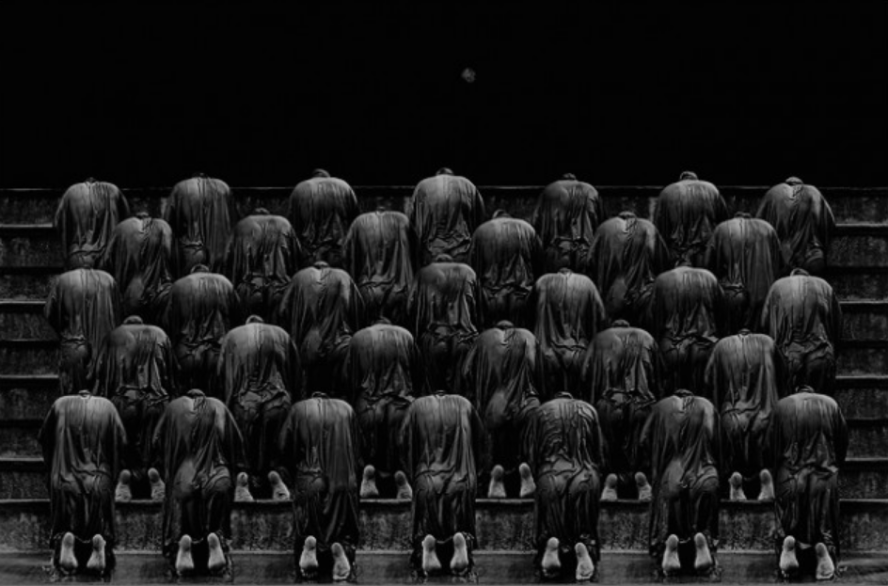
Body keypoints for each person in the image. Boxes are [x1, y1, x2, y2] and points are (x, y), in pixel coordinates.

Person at [151, 389, 246, 579]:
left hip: (185, 473)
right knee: (219, 497)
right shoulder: (219, 405)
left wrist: (166, 467)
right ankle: (217, 543)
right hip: (217, 473)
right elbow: (236, 442)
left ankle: (182, 546)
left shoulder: (174, 407)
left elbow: (156, 441)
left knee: (181, 502)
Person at [39, 390, 126, 579]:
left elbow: (44, 439)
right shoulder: (108, 407)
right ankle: (98, 542)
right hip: (99, 479)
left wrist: (53, 468)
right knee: (100, 521)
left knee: (65, 521)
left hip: (65, 478)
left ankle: (66, 540)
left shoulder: (59, 404)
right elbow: (121, 441)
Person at [400, 391, 485, 578]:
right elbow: (482, 442)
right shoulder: (465, 403)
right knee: (461, 525)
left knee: (424, 527)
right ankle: (462, 542)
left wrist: (413, 476)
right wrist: (475, 477)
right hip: (461, 480)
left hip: (427, 480)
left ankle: (426, 545)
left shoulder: (416, 407)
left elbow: (402, 444)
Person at [279, 392, 362, 583]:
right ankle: (341, 551)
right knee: (344, 529)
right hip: (343, 481)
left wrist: (292, 474)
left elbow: (284, 448)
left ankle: (309, 548)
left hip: (310, 478)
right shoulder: (347, 409)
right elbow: (359, 449)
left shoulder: (298, 410)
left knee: (307, 522)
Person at [91, 315, 176, 500]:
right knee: (155, 439)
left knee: (122, 439)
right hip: (155, 400)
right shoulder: (160, 334)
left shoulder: (113, 337)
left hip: (123, 399)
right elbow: (170, 375)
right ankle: (155, 472)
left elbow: (99, 374)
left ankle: (125, 475)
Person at [522, 391, 603, 582]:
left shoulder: (540, 412)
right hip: (585, 476)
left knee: (549, 524)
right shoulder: (589, 410)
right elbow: (599, 452)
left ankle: (551, 545)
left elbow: (531, 451)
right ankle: (584, 548)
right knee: (585, 527)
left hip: (551, 475)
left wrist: (534, 476)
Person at [218, 315, 301, 500]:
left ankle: (243, 479)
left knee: (245, 449)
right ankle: (276, 477)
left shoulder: (232, 336)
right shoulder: (282, 334)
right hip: (277, 399)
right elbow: (295, 372)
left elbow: (220, 372)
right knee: (274, 449)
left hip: (244, 400)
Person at [641, 389, 720, 579]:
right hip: (704, 473)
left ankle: (669, 547)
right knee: (706, 500)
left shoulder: (660, 407)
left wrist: (654, 465)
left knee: (667, 499)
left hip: (672, 472)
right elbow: (714, 438)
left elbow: (643, 440)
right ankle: (704, 544)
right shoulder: (707, 405)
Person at [770, 386, 847, 581]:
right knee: (825, 521)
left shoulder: (782, 406)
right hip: (824, 477)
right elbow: (842, 443)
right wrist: (833, 467)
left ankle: (789, 544)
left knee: (787, 513)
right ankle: (823, 549)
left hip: (790, 477)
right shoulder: (831, 404)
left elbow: (771, 445)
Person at [460, 320, 541, 498]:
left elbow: (466, 372)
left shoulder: (483, 339)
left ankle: (495, 477)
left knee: (494, 442)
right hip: (527, 401)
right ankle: (527, 475)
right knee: (528, 440)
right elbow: (541, 370)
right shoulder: (528, 337)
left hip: (496, 402)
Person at [582, 320, 657, 499]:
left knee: (609, 445)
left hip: (608, 403)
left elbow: (585, 374)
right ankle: (642, 480)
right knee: (640, 444)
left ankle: (611, 481)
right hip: (641, 403)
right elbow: (658, 375)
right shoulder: (646, 337)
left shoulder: (599, 339)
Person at [346, 319, 419, 499]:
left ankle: (369, 472)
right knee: (402, 448)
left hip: (368, 405)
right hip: (401, 404)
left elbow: (349, 376)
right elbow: (417, 372)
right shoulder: (406, 336)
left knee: (366, 445)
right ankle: (401, 476)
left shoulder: (358, 338)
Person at [704, 330, 780, 501]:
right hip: (764, 411)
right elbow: (783, 374)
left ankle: (734, 480)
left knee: (729, 448)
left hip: (732, 412)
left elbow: (708, 379)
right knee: (767, 447)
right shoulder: (767, 342)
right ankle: (765, 478)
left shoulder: (721, 346)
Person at [275, 261, 364, 396]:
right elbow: (357, 307)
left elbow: (282, 310)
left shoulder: (299, 277)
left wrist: (295, 334)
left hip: (308, 344)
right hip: (339, 343)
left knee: (310, 393)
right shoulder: (343, 276)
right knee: (338, 393)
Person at [761, 269, 842, 396]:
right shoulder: (825, 286)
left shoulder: (776, 287)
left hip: (787, 356)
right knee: (819, 401)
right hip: (820, 353)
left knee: (788, 403)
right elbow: (837, 326)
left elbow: (764, 324)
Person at [164, 265, 241, 395]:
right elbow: (238, 318)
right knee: (217, 397)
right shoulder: (226, 283)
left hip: (187, 353)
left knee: (188, 399)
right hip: (218, 352)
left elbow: (168, 322)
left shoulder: (178, 286)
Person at [409, 255, 480, 394]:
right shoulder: (468, 272)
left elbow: (409, 306)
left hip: (432, 338)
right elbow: (477, 308)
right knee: (460, 394)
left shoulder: (423, 274)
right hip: (463, 339)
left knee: (432, 394)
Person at [532, 269, 608, 400]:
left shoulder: (543, 282)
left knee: (549, 402)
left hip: (547, 353)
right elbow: (601, 316)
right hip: (579, 352)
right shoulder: (587, 284)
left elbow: (528, 312)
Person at [44, 268, 121, 396]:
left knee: (71, 399)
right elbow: (118, 313)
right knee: (102, 401)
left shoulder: (62, 280)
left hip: (73, 345)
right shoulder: (109, 280)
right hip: (103, 350)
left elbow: (49, 313)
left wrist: (65, 331)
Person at [704, 212, 786, 334]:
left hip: (732, 295)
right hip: (762, 294)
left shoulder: (722, 229)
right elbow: (780, 263)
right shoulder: (768, 228)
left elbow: (708, 265)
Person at [648, 266, 723, 397]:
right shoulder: (709, 278)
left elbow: (651, 316)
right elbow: (721, 311)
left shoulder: (662, 280)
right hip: (705, 346)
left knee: (671, 401)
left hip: (671, 347)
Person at [585, 211, 672, 324]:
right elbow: (663, 262)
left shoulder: (604, 228)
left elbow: (589, 263)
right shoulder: (649, 228)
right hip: (642, 297)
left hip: (611, 296)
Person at [343, 208, 416, 328]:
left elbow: (346, 256)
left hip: (367, 289)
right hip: (398, 290)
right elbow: (416, 253)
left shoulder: (358, 223)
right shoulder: (402, 220)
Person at [469, 210, 543, 328]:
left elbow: (472, 270)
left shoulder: (480, 232)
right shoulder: (528, 229)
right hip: (521, 298)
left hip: (490, 298)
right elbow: (539, 264)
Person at [226, 208, 302, 322]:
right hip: (279, 288)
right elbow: (297, 256)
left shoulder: (242, 226)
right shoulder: (284, 224)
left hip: (249, 287)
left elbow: (227, 257)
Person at [103, 211, 174, 325]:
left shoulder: (121, 228)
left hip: (129, 294)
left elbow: (106, 261)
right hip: (157, 294)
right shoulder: (163, 227)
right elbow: (170, 256)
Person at [407, 167, 486, 266]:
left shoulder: (422, 186)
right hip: (462, 251)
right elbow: (480, 221)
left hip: (431, 251)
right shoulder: (468, 185)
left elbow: (411, 223)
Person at [757, 177, 836, 275]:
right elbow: (829, 222)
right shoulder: (814, 191)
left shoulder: (772, 192)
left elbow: (759, 224)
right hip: (810, 254)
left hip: (782, 254)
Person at [164, 174, 237, 276]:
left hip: (190, 252)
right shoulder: (223, 188)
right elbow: (233, 223)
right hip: (220, 253)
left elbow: (167, 225)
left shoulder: (180, 188)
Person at [532, 173, 605, 273]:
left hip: (555, 251)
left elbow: (535, 224)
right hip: (585, 252)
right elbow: (601, 225)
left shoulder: (549, 191)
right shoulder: (591, 191)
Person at [654, 171, 728, 268]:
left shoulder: (666, 192)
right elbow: (724, 224)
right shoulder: (712, 190)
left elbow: (658, 230)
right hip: (705, 253)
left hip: (677, 254)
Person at [287, 169, 359, 268]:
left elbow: (292, 226)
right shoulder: (344, 186)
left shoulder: (299, 189)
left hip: (309, 253)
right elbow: (355, 221)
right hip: (338, 251)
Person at [54, 178, 130, 270]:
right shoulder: (114, 190)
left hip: (78, 256)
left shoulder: (71, 192)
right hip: (108, 257)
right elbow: (126, 223)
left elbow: (58, 223)